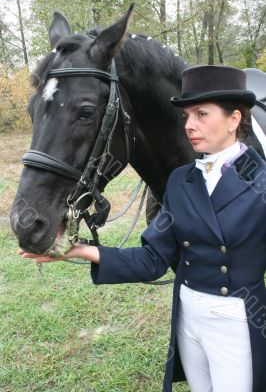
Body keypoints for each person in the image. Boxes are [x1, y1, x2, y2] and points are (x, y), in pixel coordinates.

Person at [19, 65, 266, 392]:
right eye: (187, 116)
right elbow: (153, 258)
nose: (190, 125)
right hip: (188, 321)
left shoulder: (260, 181)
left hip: (238, 323)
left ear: (234, 119)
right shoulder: (180, 181)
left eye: (202, 114)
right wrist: (78, 251)